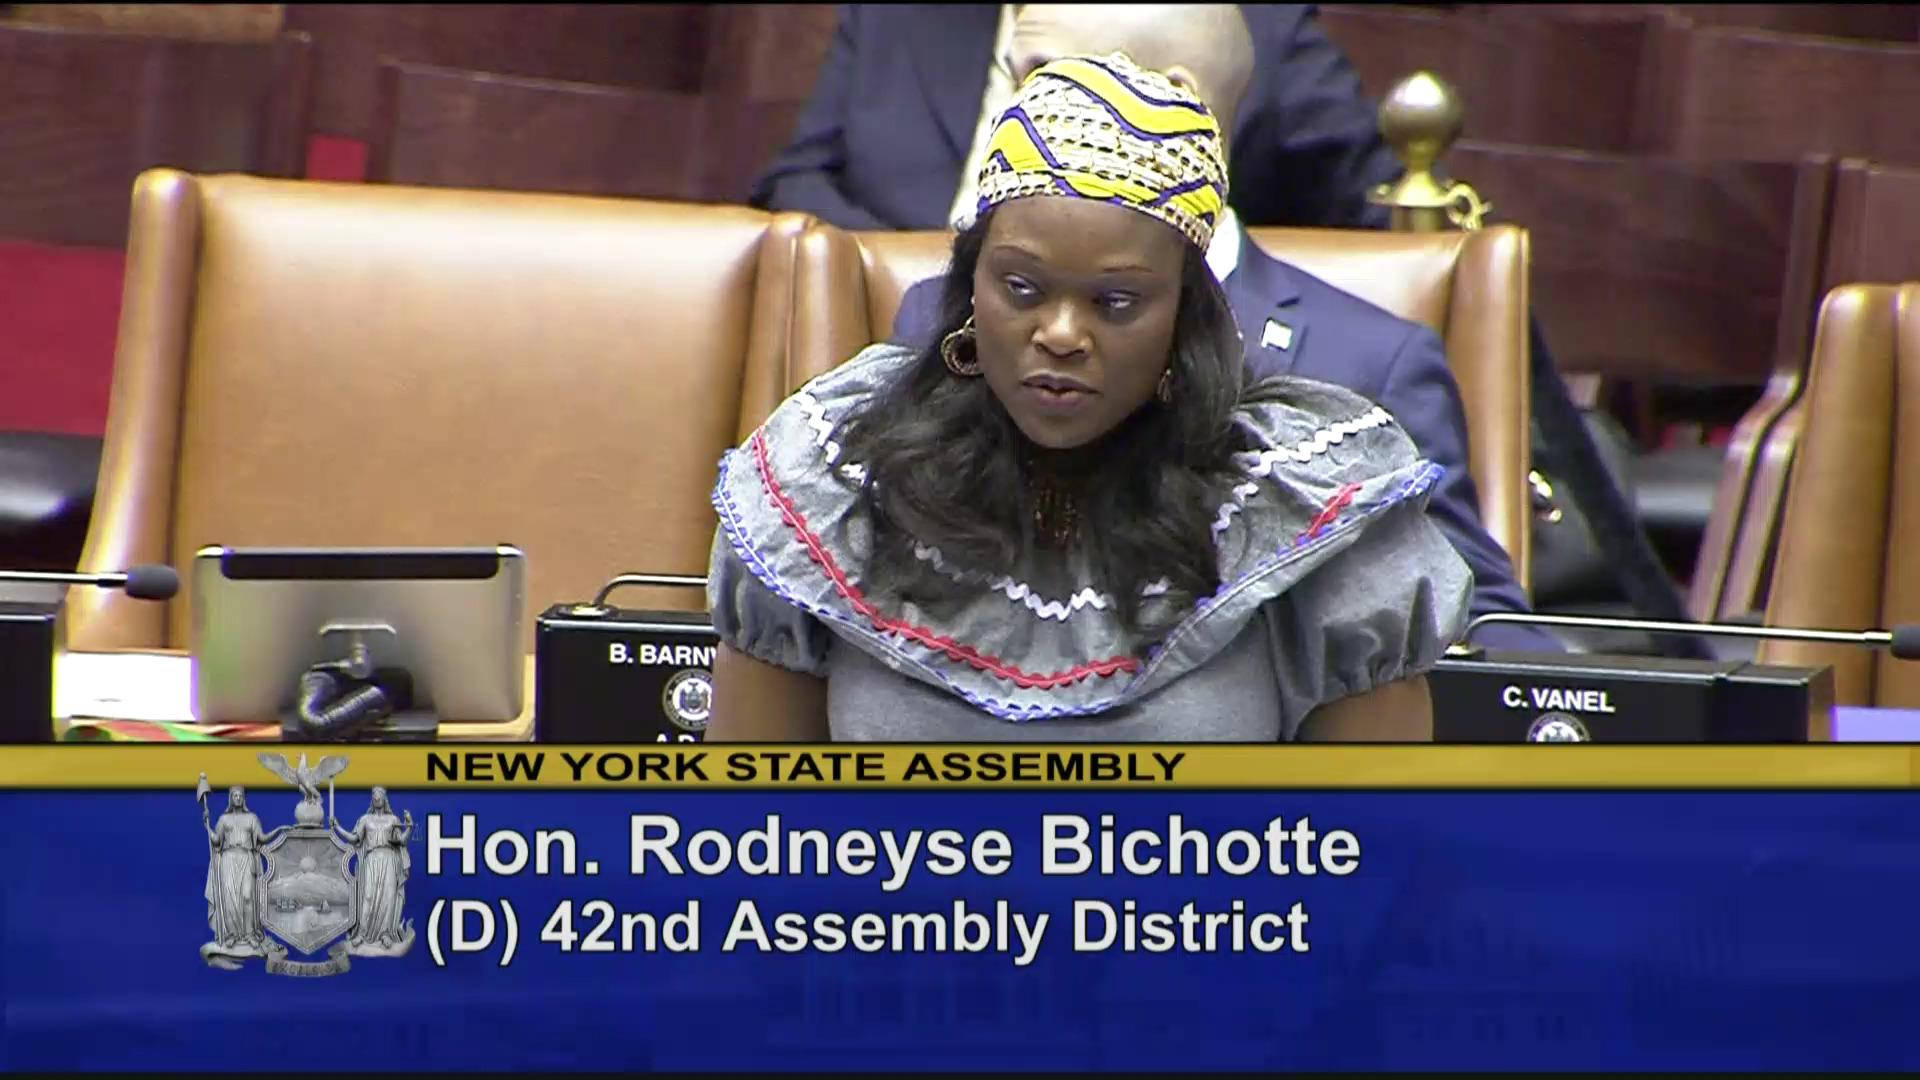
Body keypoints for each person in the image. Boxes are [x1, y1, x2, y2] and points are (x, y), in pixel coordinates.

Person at [705, 53, 1473, 742]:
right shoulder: (837, 478)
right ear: (969, 287)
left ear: (1184, 319)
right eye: (1022, 288)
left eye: (1115, 302)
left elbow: (1372, 840)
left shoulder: (1304, 509)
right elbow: (751, 827)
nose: (1062, 334)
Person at [885, 6, 1558, 654]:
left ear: (1183, 102)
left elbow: (1480, 622)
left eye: (1047, 81)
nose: (1008, 115)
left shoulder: (1368, 364)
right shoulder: (943, 320)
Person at [751, 4, 1402, 233]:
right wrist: (910, 277)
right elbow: (794, 181)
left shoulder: (1249, 25)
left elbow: (1385, 216)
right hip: (896, 333)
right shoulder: (903, 14)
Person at [333, 787, 414, 955]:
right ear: (372, 798)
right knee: (367, 896)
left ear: (385, 798)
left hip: (389, 859)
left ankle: (386, 934)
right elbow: (355, 838)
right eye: (374, 795)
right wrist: (338, 827)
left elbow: (401, 841)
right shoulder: (365, 819)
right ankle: (362, 934)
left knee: (388, 896)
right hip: (371, 859)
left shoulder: (393, 819)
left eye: (380, 795)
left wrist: (409, 827)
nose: (377, 797)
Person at [204, 786, 269, 953]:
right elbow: (217, 840)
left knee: (247, 896)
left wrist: (280, 831)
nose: (238, 798)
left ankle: (250, 934)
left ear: (244, 799)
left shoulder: (252, 818)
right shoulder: (224, 819)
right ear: (231, 799)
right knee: (229, 899)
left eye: (240, 795)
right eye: (235, 796)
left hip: (246, 857)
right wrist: (207, 826)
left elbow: (261, 838)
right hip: (228, 859)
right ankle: (231, 935)